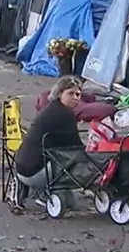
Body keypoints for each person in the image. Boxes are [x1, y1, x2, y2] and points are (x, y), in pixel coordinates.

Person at [14, 76, 85, 206]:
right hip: (36, 170)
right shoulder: (65, 115)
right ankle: (43, 193)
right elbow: (76, 148)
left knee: (71, 202)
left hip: (21, 167)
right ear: (59, 94)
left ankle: (35, 187)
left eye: (78, 94)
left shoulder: (50, 109)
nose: (75, 98)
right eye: (70, 93)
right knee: (77, 164)